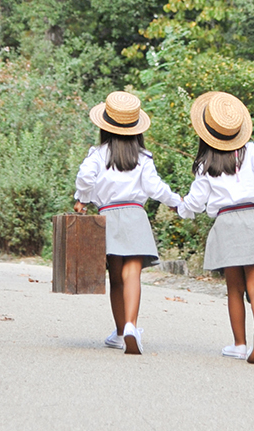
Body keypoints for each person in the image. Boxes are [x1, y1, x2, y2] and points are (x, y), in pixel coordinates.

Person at [176, 90, 254, 364]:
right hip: (252, 218)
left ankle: (239, 343)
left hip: (225, 224)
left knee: (234, 289)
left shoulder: (205, 163)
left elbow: (196, 202)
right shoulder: (249, 151)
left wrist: (182, 208)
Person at [74, 90, 181, 355]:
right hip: (135, 216)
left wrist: (83, 199)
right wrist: (175, 201)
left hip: (108, 218)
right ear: (136, 129)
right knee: (132, 274)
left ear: (105, 127)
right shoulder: (143, 158)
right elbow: (155, 187)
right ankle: (132, 325)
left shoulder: (97, 154)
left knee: (116, 278)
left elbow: (85, 177)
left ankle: (121, 332)